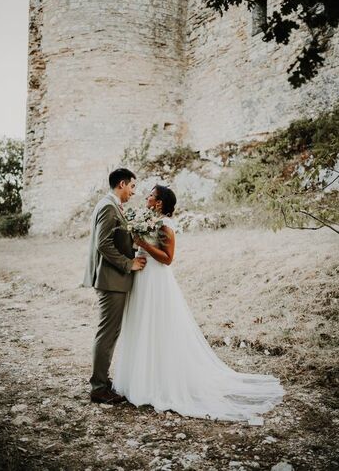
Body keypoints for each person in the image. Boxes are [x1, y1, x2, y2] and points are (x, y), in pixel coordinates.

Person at [113, 185, 285, 423]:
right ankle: (140, 378)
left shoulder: (165, 226)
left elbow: (168, 258)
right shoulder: (147, 219)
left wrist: (143, 242)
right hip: (141, 277)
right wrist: (135, 243)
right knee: (141, 324)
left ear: (160, 202)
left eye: (151, 195)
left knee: (158, 327)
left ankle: (160, 381)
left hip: (156, 280)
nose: (147, 197)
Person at [83, 168, 147, 404]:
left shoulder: (112, 205)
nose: (133, 192)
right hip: (111, 279)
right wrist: (128, 264)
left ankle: (102, 381)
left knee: (110, 332)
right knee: (107, 334)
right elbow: (103, 244)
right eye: (132, 187)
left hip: (113, 279)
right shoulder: (109, 206)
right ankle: (99, 387)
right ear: (122, 184)